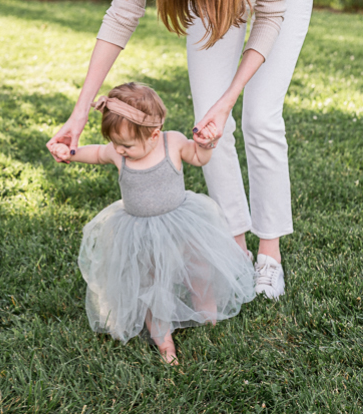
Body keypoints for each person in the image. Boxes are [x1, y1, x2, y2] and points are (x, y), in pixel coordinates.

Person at [47, 0, 315, 300]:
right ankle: (234, 242)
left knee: (258, 115)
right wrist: (80, 108)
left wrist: (231, 95)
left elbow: (270, 17)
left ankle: (269, 254)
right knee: (208, 123)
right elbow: (125, 7)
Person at [48, 82, 256, 365]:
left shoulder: (173, 143)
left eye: (126, 145)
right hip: (139, 231)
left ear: (155, 135)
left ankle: (208, 315)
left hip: (182, 225)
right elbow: (97, 153)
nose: (119, 150)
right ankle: (163, 336)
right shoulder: (116, 152)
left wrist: (205, 145)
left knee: (200, 271)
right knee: (150, 283)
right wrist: (70, 153)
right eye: (115, 143)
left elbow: (197, 157)